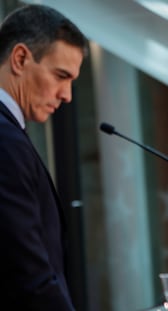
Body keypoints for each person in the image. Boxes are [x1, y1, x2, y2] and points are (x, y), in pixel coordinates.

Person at [0, 4, 88, 310]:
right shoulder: (4, 139)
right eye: (61, 76)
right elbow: (28, 273)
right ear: (21, 58)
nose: (67, 95)